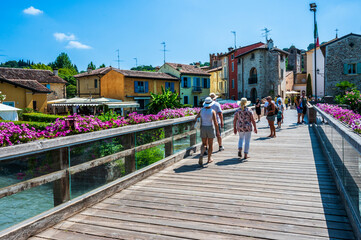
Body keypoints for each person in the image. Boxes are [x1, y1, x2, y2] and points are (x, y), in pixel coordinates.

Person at [195, 97, 220, 166]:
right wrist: (217, 131)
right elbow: (215, 122)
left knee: (204, 144)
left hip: (203, 128)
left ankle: (201, 154)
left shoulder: (201, 110)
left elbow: (196, 118)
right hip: (210, 128)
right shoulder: (212, 111)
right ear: (211, 104)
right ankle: (209, 158)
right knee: (210, 144)